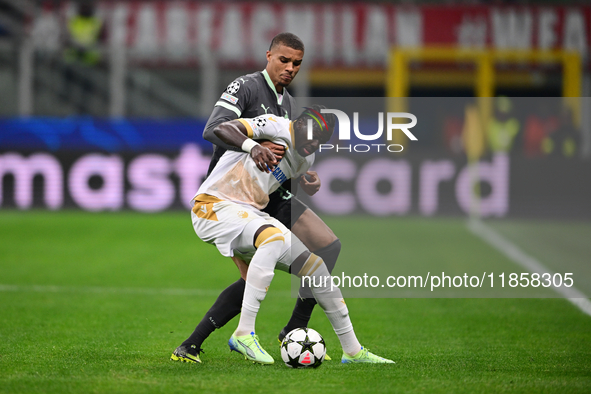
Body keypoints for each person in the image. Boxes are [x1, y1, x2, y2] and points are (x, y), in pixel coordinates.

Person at [171, 33, 342, 363]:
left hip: (272, 192)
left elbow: (287, 153)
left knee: (328, 246)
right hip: (236, 193)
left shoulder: (287, 102)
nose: (290, 68)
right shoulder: (246, 86)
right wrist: (255, 146)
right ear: (268, 56)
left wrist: (302, 174)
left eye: (297, 64)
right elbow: (213, 128)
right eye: (284, 60)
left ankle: (294, 327)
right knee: (251, 277)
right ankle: (193, 343)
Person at [191, 106, 394, 364]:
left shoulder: (305, 158)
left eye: (321, 140)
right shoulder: (276, 125)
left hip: (250, 214)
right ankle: (243, 333)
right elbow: (222, 128)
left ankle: (353, 351)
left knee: (317, 268)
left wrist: (305, 183)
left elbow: (281, 178)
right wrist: (253, 146)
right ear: (297, 125)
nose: (314, 143)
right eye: (311, 135)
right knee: (274, 238)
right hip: (214, 206)